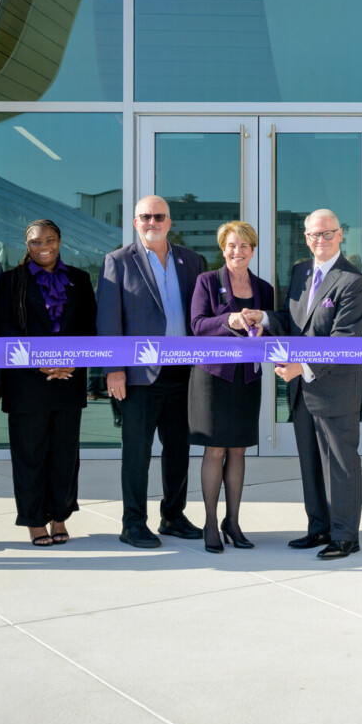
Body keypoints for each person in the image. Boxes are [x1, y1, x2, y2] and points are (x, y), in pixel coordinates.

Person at [97, 196, 208, 549]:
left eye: (159, 216)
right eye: (145, 216)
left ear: (169, 222)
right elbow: (108, 321)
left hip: (183, 374)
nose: (152, 222)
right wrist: (113, 369)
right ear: (135, 222)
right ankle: (133, 523)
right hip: (139, 377)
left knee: (177, 451)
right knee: (137, 453)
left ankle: (173, 516)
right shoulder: (117, 261)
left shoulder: (191, 260)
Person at [267, 209, 362, 560]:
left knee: (340, 465)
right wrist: (262, 317)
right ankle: (319, 528)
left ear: (340, 235)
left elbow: (345, 339)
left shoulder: (353, 281)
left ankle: (345, 535)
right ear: (306, 238)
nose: (320, 241)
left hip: (333, 388)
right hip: (300, 390)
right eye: (313, 235)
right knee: (310, 464)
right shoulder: (300, 272)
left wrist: (303, 366)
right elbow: (289, 319)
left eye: (327, 234)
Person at [0, 219, 97, 547]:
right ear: (27, 244)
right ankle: (35, 520)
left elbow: (90, 328)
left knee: (65, 456)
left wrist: (74, 363)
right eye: (36, 241)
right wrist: (39, 364)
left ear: (60, 241)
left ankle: (59, 517)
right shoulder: (11, 281)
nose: (44, 246)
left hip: (69, 379)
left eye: (50, 240)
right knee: (30, 455)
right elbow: (4, 329)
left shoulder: (79, 280)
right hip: (26, 383)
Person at [188, 220, 275, 554]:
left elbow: (273, 324)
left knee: (238, 449)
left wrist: (261, 326)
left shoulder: (263, 288)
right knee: (215, 450)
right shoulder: (207, 282)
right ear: (222, 249)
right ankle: (211, 522)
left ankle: (233, 522)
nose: (237, 252)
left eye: (244, 246)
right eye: (231, 246)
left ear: (252, 250)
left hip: (247, 378)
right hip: (213, 379)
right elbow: (197, 325)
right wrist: (229, 320)